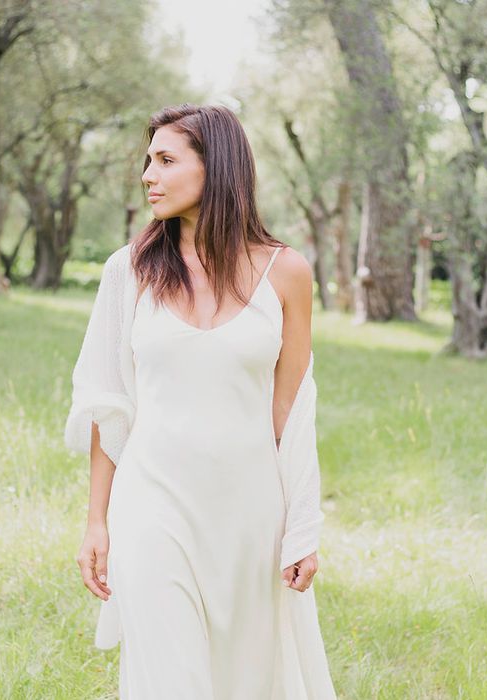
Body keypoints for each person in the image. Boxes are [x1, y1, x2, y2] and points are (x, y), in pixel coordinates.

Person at [68, 104, 336, 698]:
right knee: (170, 679)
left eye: (165, 160)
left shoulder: (286, 273)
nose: (148, 176)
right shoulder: (129, 270)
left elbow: (292, 412)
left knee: (245, 680)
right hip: (153, 504)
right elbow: (108, 402)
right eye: (148, 161)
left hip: (249, 516)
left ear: (217, 169)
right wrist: (96, 520)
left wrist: (302, 526)